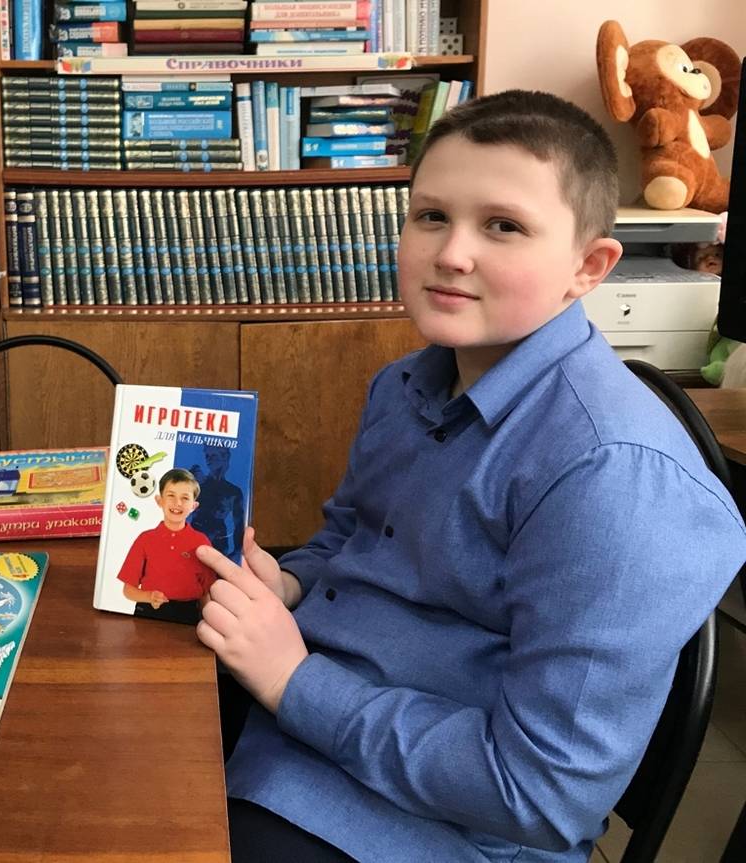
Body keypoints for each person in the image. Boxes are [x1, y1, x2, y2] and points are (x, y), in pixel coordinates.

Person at [194, 89, 746, 863]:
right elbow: (349, 538)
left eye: (503, 226)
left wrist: (294, 681)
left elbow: (540, 793)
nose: (452, 253)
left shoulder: (613, 480)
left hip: (436, 829)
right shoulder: (404, 386)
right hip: (304, 724)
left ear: (588, 267)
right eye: (431, 215)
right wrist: (288, 583)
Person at [118, 467, 217, 625]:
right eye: (171, 495)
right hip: (149, 612)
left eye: (185, 498)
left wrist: (209, 621)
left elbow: (208, 591)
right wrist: (149, 597)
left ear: (194, 506)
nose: (177, 503)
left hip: (190, 614)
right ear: (159, 501)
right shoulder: (145, 540)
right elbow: (128, 590)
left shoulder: (201, 542)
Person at [191, 443, 246, 558]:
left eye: (213, 456)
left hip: (218, 547)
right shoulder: (198, 484)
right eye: (207, 456)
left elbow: (239, 526)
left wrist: (237, 552)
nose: (208, 459)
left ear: (224, 457)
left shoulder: (233, 492)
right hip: (192, 544)